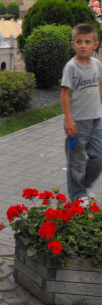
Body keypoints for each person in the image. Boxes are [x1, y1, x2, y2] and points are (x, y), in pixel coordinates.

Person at [61, 23, 102, 204]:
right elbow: (65, 93)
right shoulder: (71, 67)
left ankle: (82, 187)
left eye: (87, 41)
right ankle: (78, 195)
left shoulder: (97, 64)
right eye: (79, 42)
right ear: (73, 44)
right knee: (77, 160)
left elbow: (99, 85)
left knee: (98, 157)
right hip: (77, 123)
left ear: (95, 44)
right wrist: (68, 119)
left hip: (96, 120)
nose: (83, 45)